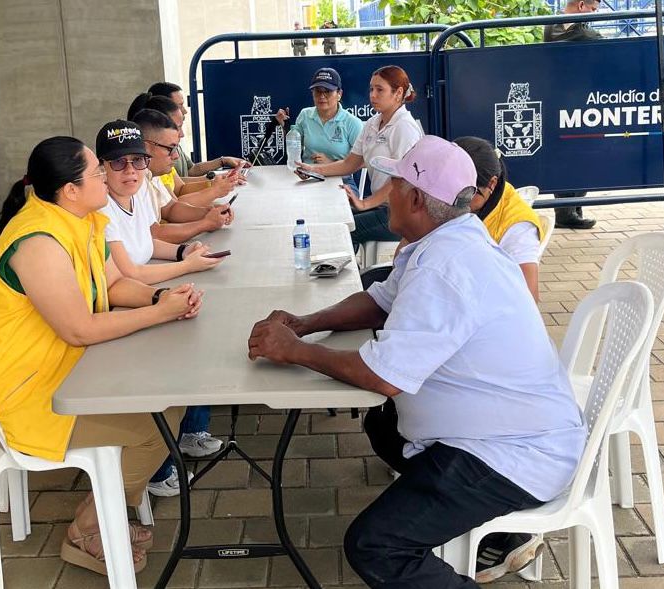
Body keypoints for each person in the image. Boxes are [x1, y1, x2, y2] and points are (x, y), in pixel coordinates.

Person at [247, 136, 586, 588]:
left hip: (514, 453)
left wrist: (295, 351)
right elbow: (379, 301)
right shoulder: (444, 240)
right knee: (384, 427)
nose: (387, 190)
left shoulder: (447, 266)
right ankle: (463, 514)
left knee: (376, 545)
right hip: (501, 430)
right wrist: (306, 323)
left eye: (395, 181)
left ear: (416, 198)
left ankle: (496, 526)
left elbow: (382, 376)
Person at [0, 136, 204, 576]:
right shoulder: (38, 241)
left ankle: (106, 513)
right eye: (97, 172)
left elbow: (112, 286)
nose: (106, 178)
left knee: (168, 403)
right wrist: (159, 314)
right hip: (29, 394)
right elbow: (78, 329)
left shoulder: (81, 222)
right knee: (156, 428)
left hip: (69, 372)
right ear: (70, 189)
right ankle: (88, 529)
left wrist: (161, 295)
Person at [297, 65, 423, 251]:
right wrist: (313, 170)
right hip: (382, 207)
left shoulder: (404, 127)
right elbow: (350, 163)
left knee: (339, 232)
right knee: (335, 220)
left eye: (380, 90)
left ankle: (348, 277)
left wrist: (366, 203)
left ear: (398, 94)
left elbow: (401, 178)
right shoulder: (373, 122)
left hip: (402, 213)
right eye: (371, 89)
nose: (373, 95)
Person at [96, 120, 223, 284]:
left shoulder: (138, 190)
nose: (130, 170)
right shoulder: (101, 207)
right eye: (118, 162)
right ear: (101, 168)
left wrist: (183, 251)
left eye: (138, 160)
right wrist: (187, 266)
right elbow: (130, 274)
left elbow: (145, 244)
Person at [455, 136, 544, 302]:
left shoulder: (518, 227)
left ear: (491, 184)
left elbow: (528, 299)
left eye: (464, 193)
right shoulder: (480, 198)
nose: (453, 199)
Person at [131, 109, 234, 244]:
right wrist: (205, 223)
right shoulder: (132, 182)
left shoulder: (152, 175)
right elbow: (154, 234)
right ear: (146, 147)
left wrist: (209, 212)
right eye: (170, 149)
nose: (176, 156)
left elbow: (171, 208)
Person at [544, 0, 601, 229]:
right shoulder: (584, 33)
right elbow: (594, 40)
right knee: (579, 151)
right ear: (580, 5)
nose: (596, 14)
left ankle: (571, 210)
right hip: (577, 100)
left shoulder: (550, 23)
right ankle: (568, 212)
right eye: (594, 9)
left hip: (560, 98)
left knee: (567, 153)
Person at [130, 93, 241, 204]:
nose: (182, 134)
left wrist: (217, 181)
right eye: (177, 127)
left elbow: (180, 187)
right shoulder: (149, 173)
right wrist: (214, 191)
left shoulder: (157, 171)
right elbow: (174, 208)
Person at [130, 82, 248, 178]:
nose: (184, 111)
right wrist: (215, 183)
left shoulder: (155, 171)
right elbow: (177, 194)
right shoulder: (151, 172)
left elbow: (189, 171)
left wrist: (223, 164)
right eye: (179, 105)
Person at [274, 67, 363, 166]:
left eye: (328, 91)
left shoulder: (352, 123)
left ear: (339, 94)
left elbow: (364, 161)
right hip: (308, 174)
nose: (322, 96)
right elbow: (295, 144)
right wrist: (284, 125)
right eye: (317, 91)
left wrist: (331, 164)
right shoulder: (305, 115)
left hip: (340, 177)